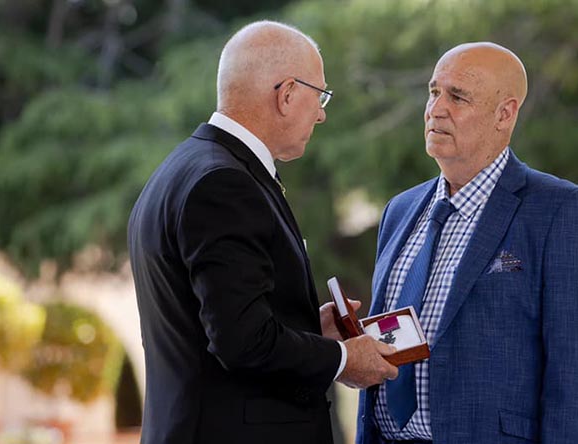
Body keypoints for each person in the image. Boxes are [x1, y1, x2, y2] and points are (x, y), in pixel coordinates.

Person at [128, 21, 397, 444]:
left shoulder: (183, 169)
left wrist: (307, 327)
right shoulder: (224, 183)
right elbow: (242, 342)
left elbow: (216, 321)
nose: (323, 112)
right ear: (287, 94)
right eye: (319, 95)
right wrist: (344, 357)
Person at [356, 42, 578, 444]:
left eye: (457, 96)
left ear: (505, 113)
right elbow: (399, 338)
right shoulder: (400, 210)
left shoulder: (562, 211)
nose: (436, 109)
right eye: (433, 91)